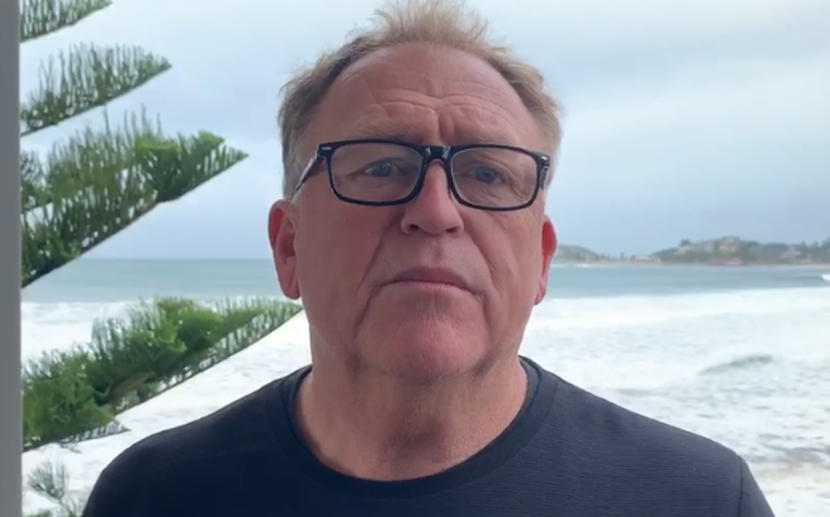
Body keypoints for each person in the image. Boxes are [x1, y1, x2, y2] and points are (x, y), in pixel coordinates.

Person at [82, 1, 775, 515]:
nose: (436, 210)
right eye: (380, 166)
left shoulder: (700, 500)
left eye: (488, 174)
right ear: (289, 247)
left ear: (539, 259)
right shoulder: (153, 496)